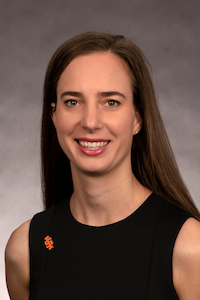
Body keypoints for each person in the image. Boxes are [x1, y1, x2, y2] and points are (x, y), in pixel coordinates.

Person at [5, 32, 200, 300]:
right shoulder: (25, 249)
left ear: (138, 118)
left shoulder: (190, 247)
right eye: (73, 102)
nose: (91, 122)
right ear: (54, 115)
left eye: (111, 102)